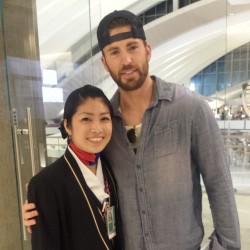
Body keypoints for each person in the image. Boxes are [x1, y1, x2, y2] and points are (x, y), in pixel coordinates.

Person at [23, 10, 240, 250]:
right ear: (105, 63)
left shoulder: (190, 108)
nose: (126, 60)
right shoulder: (106, 125)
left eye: (132, 47)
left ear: (147, 50)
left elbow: (219, 185)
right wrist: (43, 202)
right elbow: (85, 177)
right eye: (115, 52)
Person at [26, 84, 122, 249]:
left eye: (104, 118)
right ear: (68, 126)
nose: (97, 128)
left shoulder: (110, 167)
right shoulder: (45, 184)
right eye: (86, 119)